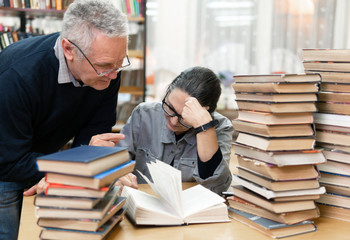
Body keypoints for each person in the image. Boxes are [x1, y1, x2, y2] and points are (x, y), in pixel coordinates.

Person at [0, 1, 129, 239]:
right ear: (69, 49)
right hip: (5, 166)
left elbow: (92, 141)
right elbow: (10, 161)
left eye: (119, 64)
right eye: (104, 66)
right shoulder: (16, 75)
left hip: (48, 158)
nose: (113, 75)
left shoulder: (107, 69)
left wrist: (82, 166)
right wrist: (70, 170)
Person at [118, 66, 234, 195]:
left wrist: (204, 127)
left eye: (184, 117)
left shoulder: (220, 127)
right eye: (170, 108)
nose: (173, 121)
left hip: (190, 211)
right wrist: (120, 176)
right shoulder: (144, 114)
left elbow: (217, 189)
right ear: (166, 94)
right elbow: (116, 164)